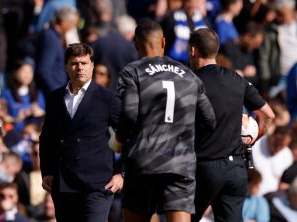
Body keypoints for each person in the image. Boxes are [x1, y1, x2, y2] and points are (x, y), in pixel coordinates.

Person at [110, 19, 216, 222]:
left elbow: (129, 113)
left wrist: (119, 140)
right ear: (164, 41)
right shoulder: (189, 75)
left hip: (143, 162)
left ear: (136, 44)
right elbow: (209, 120)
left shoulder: (132, 72)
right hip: (180, 163)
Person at [188, 28, 275, 222]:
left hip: (205, 167)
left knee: (184, 218)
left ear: (192, 51)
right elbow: (268, 115)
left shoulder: (191, 82)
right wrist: (252, 139)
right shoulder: (237, 79)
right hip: (235, 169)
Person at [39, 43, 123, 222]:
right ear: (66, 67)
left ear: (92, 65)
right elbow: (47, 138)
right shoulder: (55, 98)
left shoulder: (108, 98)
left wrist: (122, 174)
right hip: (63, 185)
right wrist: (46, 170)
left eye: (84, 63)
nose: (80, 68)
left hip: (98, 185)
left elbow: (130, 136)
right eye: (75, 63)